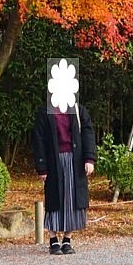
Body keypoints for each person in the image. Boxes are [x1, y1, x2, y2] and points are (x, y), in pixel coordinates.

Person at [32, 98, 96, 254]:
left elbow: (88, 134)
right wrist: (42, 167)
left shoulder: (78, 110)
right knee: (54, 199)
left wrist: (89, 159)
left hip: (75, 160)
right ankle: (53, 239)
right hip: (54, 161)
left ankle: (67, 239)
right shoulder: (46, 112)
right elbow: (38, 140)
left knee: (73, 200)